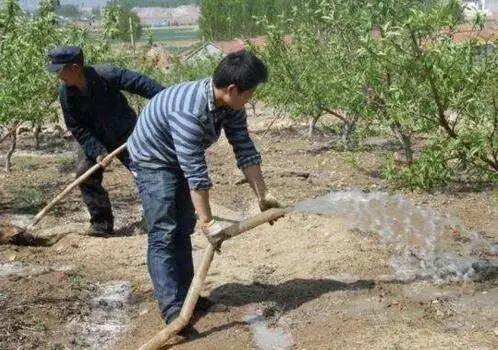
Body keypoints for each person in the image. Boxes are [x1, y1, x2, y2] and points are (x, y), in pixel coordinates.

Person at [127, 49, 282, 325]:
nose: (252, 97)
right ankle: (173, 310)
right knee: (164, 231)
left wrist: (263, 194)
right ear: (233, 89)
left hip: (177, 156)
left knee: (182, 227)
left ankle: (189, 297)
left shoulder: (230, 105)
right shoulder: (189, 111)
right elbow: (195, 172)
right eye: (250, 92)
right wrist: (208, 221)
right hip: (153, 159)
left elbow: (244, 148)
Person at [47, 46, 165, 236]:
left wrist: (168, 99)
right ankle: (101, 225)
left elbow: (142, 84)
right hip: (94, 137)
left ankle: (156, 217)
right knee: (85, 174)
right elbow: (77, 127)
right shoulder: (66, 94)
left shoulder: (107, 75)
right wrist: (97, 151)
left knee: (145, 171)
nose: (58, 76)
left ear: (75, 67)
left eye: (60, 70)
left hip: (126, 133)